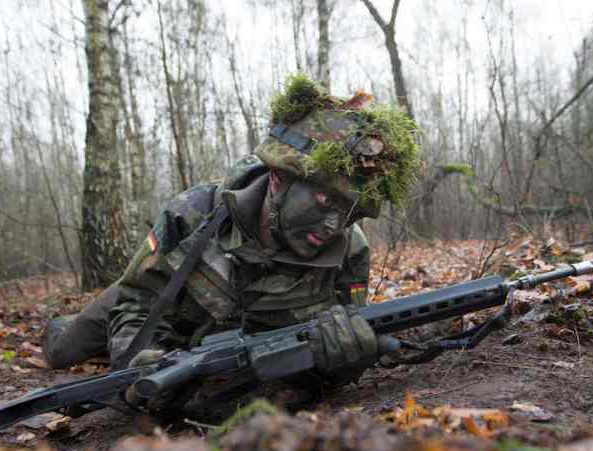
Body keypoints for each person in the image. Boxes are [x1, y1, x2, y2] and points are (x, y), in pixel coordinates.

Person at [42, 74, 421, 406]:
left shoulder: (350, 251)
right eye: (324, 199)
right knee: (66, 351)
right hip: (167, 296)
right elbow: (138, 303)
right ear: (278, 179)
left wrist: (346, 363)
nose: (334, 223)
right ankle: (68, 326)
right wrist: (141, 359)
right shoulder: (193, 214)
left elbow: (340, 336)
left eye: (350, 210)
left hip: (229, 336)